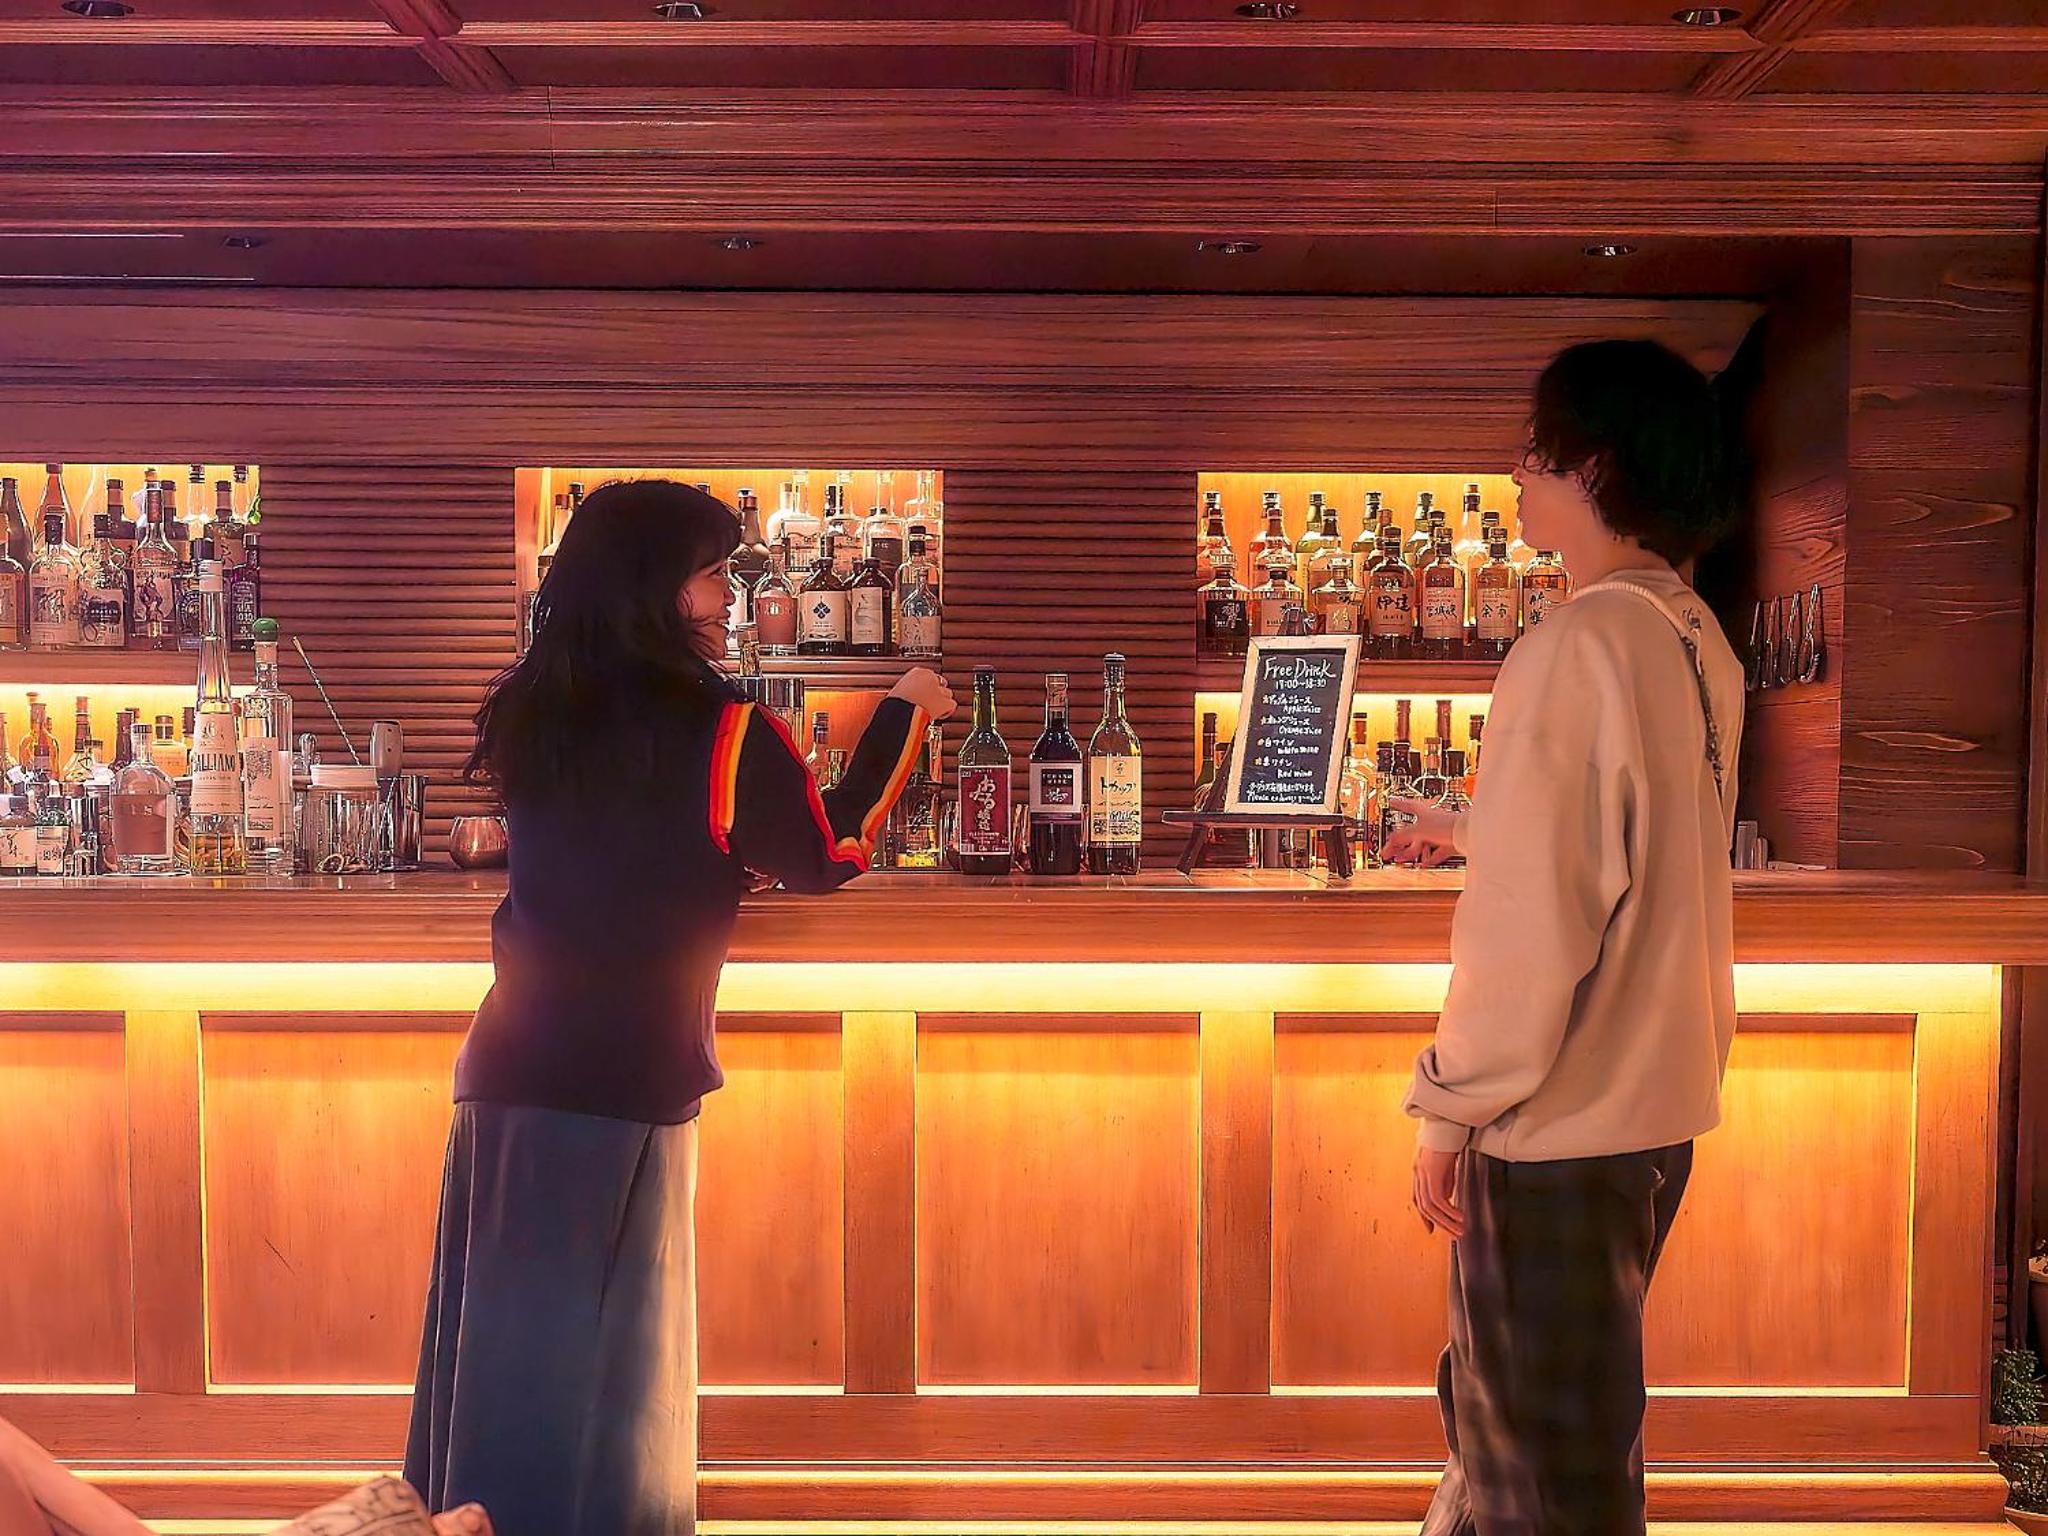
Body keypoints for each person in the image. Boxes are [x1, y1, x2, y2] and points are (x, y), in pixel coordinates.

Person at [405, 480, 954, 1536]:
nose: (726, 596)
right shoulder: (722, 729)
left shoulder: (530, 709)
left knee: (502, 1369)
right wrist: (906, 710)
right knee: (607, 1390)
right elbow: (824, 852)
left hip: (508, 1068)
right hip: (625, 1082)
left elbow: (629, 847)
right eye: (711, 574)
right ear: (658, 588)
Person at [1384, 339, 1749, 1536]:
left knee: (1538, 1479)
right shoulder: (1691, 635)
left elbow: (1530, 929)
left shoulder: (1573, 644)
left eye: (1534, 453)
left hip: (1554, 1127)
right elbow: (1635, 843)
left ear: (1593, 467)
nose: (1514, 474)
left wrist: (1446, 1105)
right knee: (1549, 1451)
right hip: (1652, 1117)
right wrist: (1471, 825)